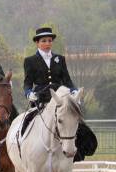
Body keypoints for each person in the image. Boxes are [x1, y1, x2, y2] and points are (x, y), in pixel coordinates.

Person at [23, 27, 97, 161]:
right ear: (37, 43)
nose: (47, 43)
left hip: (61, 99)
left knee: (74, 121)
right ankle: (22, 144)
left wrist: (74, 90)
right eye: (44, 41)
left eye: (49, 41)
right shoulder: (30, 61)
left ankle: (78, 151)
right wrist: (29, 93)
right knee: (27, 121)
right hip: (42, 99)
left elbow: (67, 80)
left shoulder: (60, 59)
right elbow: (28, 83)